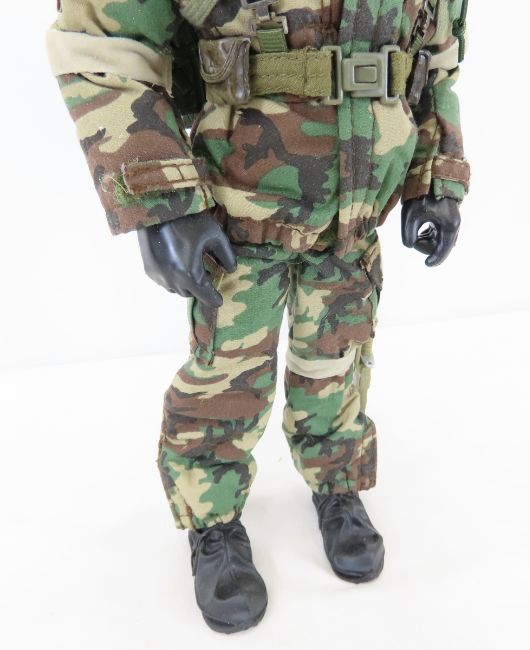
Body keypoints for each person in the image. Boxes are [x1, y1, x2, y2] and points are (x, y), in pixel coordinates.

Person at [47, 0, 469, 634]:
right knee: (227, 376)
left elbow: (432, 62)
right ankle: (213, 523)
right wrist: (162, 202)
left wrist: (434, 178)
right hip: (237, 218)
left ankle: (337, 484)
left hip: (355, 219)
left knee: (337, 361)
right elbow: (105, 45)